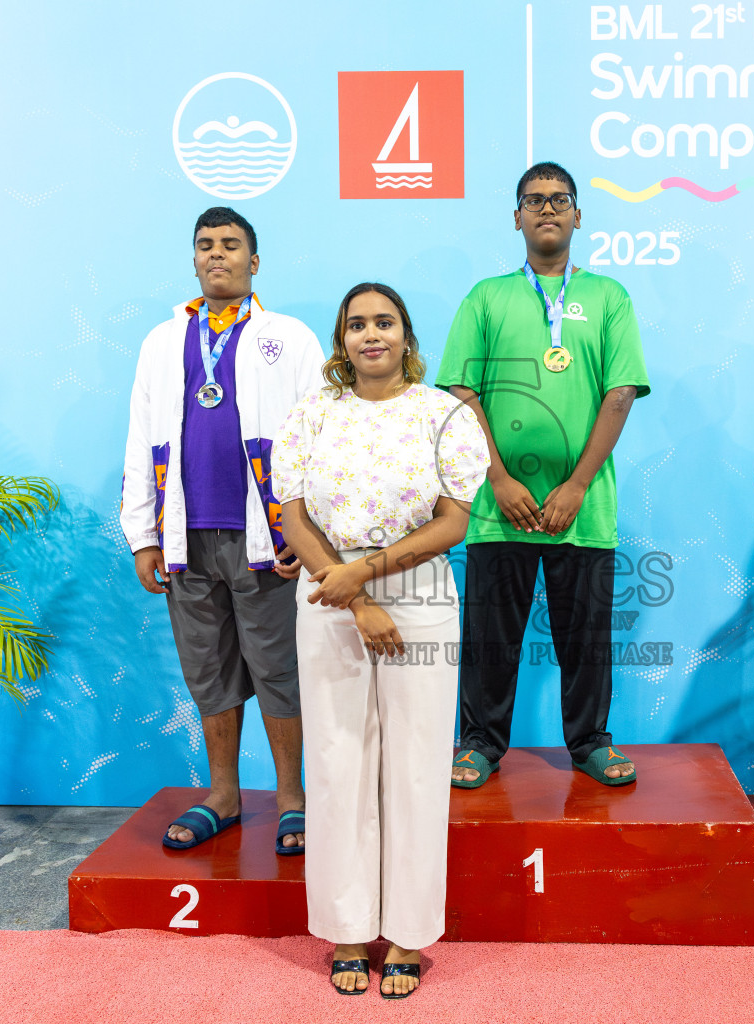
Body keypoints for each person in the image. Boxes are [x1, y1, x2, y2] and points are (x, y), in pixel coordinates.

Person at [276, 283, 488, 998]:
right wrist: (352, 592)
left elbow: (453, 521)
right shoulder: (313, 412)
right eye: (357, 324)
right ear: (341, 341)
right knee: (337, 762)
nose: (372, 334)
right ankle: (345, 927)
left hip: (418, 592)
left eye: (385, 322)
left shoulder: (443, 414)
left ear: (406, 335)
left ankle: (405, 935)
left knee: (416, 762)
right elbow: (294, 516)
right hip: (327, 588)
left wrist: (364, 577)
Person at [437, 161, 651, 789]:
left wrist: (578, 484)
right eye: (535, 200)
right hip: (495, 505)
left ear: (579, 215)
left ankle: (589, 742)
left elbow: (619, 394)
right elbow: (461, 392)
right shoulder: (487, 296)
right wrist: (498, 480)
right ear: (517, 218)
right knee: (490, 640)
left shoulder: (609, 297)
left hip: (584, 507)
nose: (548, 209)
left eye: (561, 200)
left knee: (585, 641)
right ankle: (478, 743)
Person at [120, 207, 320, 855]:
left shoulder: (287, 336)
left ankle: (292, 797)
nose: (216, 255)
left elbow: (316, 434)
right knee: (208, 669)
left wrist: (303, 527)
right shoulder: (160, 341)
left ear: (254, 262)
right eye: (205, 245)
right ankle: (224, 793)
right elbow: (139, 438)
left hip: (266, 537)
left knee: (277, 667)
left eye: (230, 246)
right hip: (186, 538)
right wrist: (144, 535)